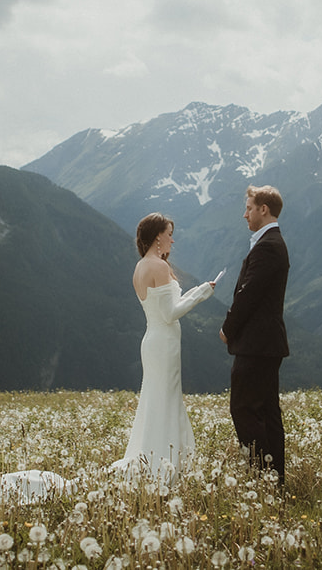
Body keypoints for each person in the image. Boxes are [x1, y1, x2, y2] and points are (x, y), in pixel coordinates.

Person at [112, 213, 217, 479]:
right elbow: (170, 313)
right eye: (169, 234)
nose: (172, 239)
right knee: (166, 400)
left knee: (155, 400)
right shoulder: (158, 266)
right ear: (158, 236)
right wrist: (202, 294)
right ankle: (166, 465)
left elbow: (164, 309)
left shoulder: (141, 266)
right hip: (165, 343)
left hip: (153, 340)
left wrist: (198, 291)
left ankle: (152, 458)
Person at [220, 184, 289, 483]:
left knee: (243, 409)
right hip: (266, 344)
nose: (244, 213)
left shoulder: (268, 246)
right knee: (267, 411)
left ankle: (262, 475)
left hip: (257, 344)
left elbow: (248, 294)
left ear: (264, 209)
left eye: (248, 207)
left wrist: (227, 328)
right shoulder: (270, 243)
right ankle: (275, 478)